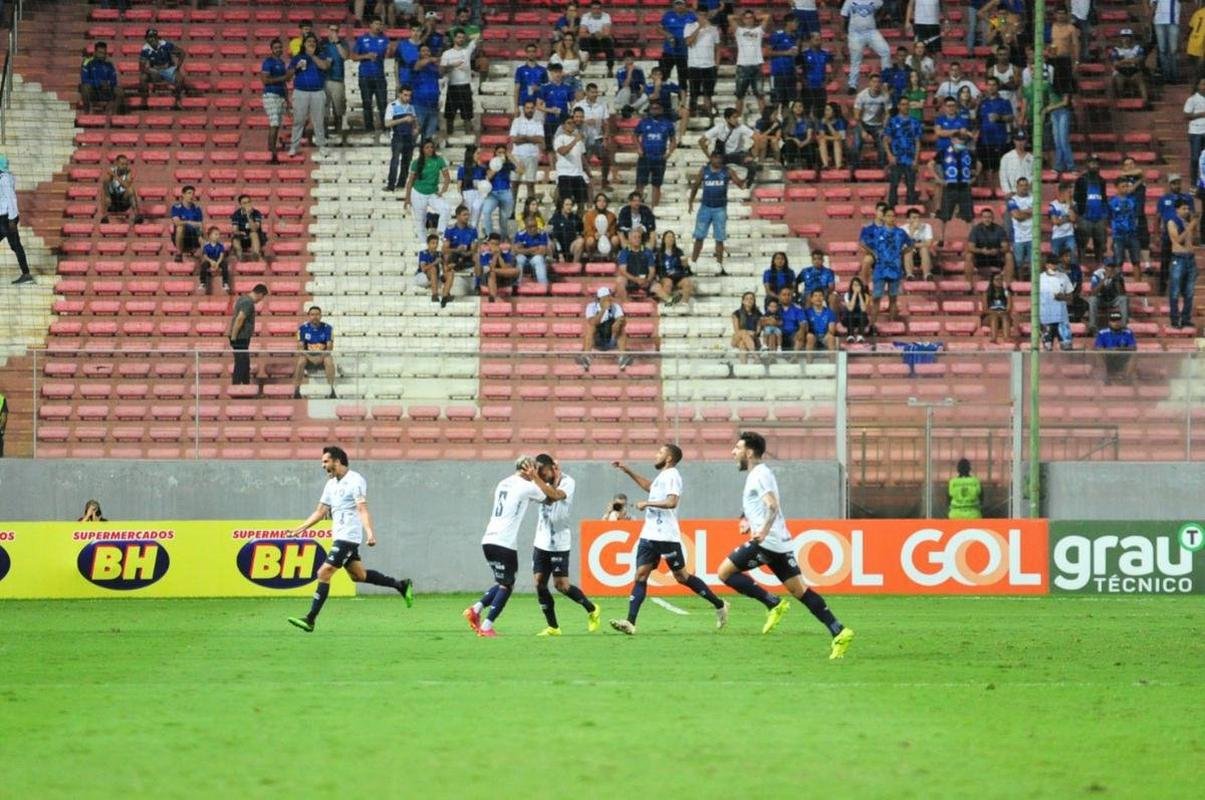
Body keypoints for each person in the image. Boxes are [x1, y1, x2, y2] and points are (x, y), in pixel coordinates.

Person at [718, 432, 855, 657]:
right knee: (800, 591)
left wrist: (761, 532)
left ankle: (772, 603)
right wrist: (745, 519)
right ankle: (839, 631)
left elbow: (772, 505)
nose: (733, 452)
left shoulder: (758, 475)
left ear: (749, 452)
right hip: (780, 543)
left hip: (767, 543)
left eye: (737, 448)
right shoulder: (761, 473)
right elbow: (759, 504)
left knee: (724, 573)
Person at [286, 446, 414, 633]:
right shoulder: (330, 484)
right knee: (358, 576)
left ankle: (310, 619)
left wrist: (369, 532)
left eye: (325, 462)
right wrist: (300, 529)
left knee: (324, 572)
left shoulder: (355, 480)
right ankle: (401, 585)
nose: (323, 466)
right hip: (339, 535)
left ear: (337, 461)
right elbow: (321, 511)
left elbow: (362, 509)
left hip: (349, 536)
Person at [608, 445, 728, 635]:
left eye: (660, 453)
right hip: (649, 535)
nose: (656, 455)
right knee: (640, 576)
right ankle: (630, 622)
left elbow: (672, 502)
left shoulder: (673, 475)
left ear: (670, 458)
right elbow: (650, 487)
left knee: (682, 577)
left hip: (666, 536)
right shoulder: (662, 476)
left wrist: (646, 503)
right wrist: (628, 470)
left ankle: (720, 604)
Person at [464, 456, 562, 637]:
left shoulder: (503, 482)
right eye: (534, 469)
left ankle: (475, 610)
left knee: (502, 581)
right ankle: (486, 627)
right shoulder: (527, 486)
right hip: (504, 542)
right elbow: (551, 498)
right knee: (507, 586)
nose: (537, 472)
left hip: (488, 540)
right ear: (527, 469)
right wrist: (553, 479)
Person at [530, 454, 602, 637]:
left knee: (561, 585)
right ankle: (553, 627)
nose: (539, 474)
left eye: (542, 470)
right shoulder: (538, 482)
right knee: (539, 583)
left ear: (552, 468)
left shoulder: (568, 482)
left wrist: (536, 479)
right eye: (537, 471)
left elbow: (555, 495)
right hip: (541, 540)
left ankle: (592, 609)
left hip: (559, 542)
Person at [689, 150, 744, 277]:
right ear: (712, 158)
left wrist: (747, 177)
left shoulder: (728, 171)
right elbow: (695, 185)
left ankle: (719, 265)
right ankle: (693, 263)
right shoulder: (704, 170)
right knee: (699, 236)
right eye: (716, 158)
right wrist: (691, 201)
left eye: (720, 158)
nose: (718, 160)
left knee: (719, 238)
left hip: (720, 209)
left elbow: (740, 184)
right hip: (705, 207)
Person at [931, 131, 978, 246]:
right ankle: (941, 239)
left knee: (969, 216)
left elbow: (979, 164)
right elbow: (930, 164)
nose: (961, 143)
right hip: (950, 187)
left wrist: (975, 177)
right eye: (958, 141)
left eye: (962, 141)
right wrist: (937, 178)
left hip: (964, 187)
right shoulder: (944, 152)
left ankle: (972, 240)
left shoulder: (969, 153)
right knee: (944, 215)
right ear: (952, 140)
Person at [289, 34, 330, 157]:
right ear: (304, 44)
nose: (311, 43)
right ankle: (294, 147)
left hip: (317, 92)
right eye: (309, 41)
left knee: (318, 121)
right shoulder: (297, 57)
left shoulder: (321, 56)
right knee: (298, 120)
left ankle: (321, 146)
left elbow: (325, 66)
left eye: (313, 41)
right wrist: (297, 67)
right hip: (301, 92)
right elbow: (289, 73)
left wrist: (312, 56)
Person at [402, 139, 451, 241]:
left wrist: (443, 191)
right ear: (422, 149)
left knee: (445, 208)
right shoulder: (416, 163)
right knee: (420, 220)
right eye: (427, 147)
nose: (430, 149)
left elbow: (447, 177)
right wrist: (407, 198)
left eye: (432, 147)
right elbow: (410, 181)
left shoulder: (439, 160)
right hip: (418, 193)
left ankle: (441, 232)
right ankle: (423, 243)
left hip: (433, 193)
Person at [353, 18, 392, 143]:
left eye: (380, 23)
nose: (378, 26)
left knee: (382, 103)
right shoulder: (362, 39)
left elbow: (388, 55)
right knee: (367, 103)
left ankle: (386, 129)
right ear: (370, 24)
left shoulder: (385, 39)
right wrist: (366, 56)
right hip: (365, 76)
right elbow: (353, 56)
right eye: (376, 23)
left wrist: (390, 51)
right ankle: (369, 129)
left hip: (379, 76)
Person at [841, 0, 891, 94]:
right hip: (855, 33)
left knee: (886, 51)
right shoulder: (849, 1)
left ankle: (886, 81)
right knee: (855, 60)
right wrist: (842, 32)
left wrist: (879, 18)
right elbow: (843, 16)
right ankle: (852, 85)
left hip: (871, 32)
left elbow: (883, 6)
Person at [635, 100, 677, 208]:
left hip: (659, 158)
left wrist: (669, 153)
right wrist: (638, 148)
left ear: (661, 110)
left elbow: (673, 140)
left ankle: (654, 209)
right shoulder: (644, 122)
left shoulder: (667, 124)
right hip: (645, 157)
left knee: (656, 185)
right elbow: (634, 136)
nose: (655, 110)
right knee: (640, 184)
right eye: (653, 108)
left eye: (657, 108)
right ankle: (637, 207)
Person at [1157, 174, 1194, 292]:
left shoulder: (1187, 198)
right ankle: (1162, 289)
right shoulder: (1163, 199)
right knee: (1165, 263)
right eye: (1174, 183)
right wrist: (1157, 235)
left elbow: (1192, 216)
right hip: (1167, 236)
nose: (1176, 185)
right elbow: (1158, 217)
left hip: (1182, 236)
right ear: (1169, 184)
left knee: (1183, 263)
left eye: (1178, 182)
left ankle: (1183, 289)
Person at [440, 28, 480, 137]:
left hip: (465, 86)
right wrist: (453, 65)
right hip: (452, 86)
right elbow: (442, 71)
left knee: (467, 116)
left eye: (462, 37)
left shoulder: (467, 51)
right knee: (449, 117)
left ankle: (468, 140)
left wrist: (468, 37)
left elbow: (478, 35)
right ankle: (449, 138)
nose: (460, 39)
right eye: (458, 37)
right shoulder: (446, 54)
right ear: (454, 38)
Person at [292, 306, 337, 400]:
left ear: (321, 316)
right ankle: (296, 390)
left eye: (317, 314)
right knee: (300, 361)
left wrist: (320, 357)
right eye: (312, 314)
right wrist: (310, 358)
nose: (315, 317)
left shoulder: (328, 328)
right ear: (308, 316)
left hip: (323, 356)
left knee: (329, 360)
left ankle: (331, 389)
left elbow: (329, 347)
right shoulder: (303, 328)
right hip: (308, 356)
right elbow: (300, 348)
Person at [885, 96, 923, 207]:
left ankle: (910, 209)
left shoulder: (915, 122)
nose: (905, 106)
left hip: (910, 159)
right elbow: (885, 140)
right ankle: (891, 208)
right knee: (894, 185)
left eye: (907, 104)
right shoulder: (892, 121)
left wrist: (916, 159)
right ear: (898, 106)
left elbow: (917, 141)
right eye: (902, 104)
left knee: (911, 186)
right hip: (896, 158)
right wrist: (890, 155)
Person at [579, 286, 630, 370]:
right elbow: (592, 322)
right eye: (606, 298)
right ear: (600, 300)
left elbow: (623, 320)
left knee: (620, 327)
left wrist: (618, 322)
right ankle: (586, 357)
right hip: (597, 340)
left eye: (610, 297)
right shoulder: (591, 307)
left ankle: (622, 357)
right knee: (591, 328)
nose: (609, 300)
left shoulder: (616, 306)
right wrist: (603, 310)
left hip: (611, 338)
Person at [228, 283, 268, 386]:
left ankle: (246, 384)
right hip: (240, 337)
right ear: (260, 294)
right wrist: (233, 337)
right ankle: (236, 386)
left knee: (245, 362)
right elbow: (240, 319)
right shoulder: (248, 302)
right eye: (262, 297)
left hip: (240, 336)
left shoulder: (243, 299)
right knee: (241, 363)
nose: (261, 300)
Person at [1167, 198, 1199, 328]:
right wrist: (1191, 226)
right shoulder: (1171, 222)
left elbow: (1194, 240)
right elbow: (1178, 240)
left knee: (1189, 292)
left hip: (1190, 258)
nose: (1186, 211)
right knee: (1175, 291)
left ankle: (1186, 319)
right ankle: (1175, 320)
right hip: (1178, 258)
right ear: (1177, 209)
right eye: (1183, 209)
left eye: (1188, 209)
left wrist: (1193, 227)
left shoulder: (1188, 222)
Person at [683, 11, 720, 119]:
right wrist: (699, 28)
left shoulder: (713, 29)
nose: (702, 17)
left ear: (707, 16)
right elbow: (688, 42)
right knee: (694, 94)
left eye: (704, 15)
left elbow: (718, 48)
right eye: (700, 15)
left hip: (709, 66)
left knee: (708, 94)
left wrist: (716, 64)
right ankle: (691, 116)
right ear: (696, 16)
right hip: (694, 65)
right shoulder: (689, 27)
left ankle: (709, 117)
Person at [614, 229, 669, 302]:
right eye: (635, 237)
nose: (637, 239)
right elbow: (623, 271)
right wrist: (635, 279)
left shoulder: (647, 252)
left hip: (645, 280)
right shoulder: (624, 252)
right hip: (630, 280)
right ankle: (626, 305)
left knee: (658, 287)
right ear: (629, 239)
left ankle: (672, 304)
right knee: (619, 281)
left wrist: (648, 280)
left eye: (639, 237)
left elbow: (652, 270)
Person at [1074, 156, 1110, 264]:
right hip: (1085, 216)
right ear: (1087, 165)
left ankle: (1099, 264)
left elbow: (1103, 197)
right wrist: (1080, 213)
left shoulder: (1102, 181)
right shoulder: (1081, 180)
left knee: (1100, 243)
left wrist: (1104, 215)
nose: (1094, 166)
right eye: (1092, 163)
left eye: (1096, 164)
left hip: (1099, 217)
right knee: (1082, 242)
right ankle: (1081, 264)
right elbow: (1076, 197)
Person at [733, 10, 770, 115]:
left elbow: (767, 16)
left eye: (751, 18)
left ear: (754, 19)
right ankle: (737, 121)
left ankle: (764, 120)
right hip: (742, 67)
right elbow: (730, 18)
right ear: (743, 19)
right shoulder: (739, 31)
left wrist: (756, 17)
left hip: (756, 67)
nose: (749, 20)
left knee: (760, 95)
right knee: (739, 95)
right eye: (747, 18)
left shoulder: (759, 31)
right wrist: (741, 16)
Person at [260, 39, 291, 164]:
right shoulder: (268, 62)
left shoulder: (282, 63)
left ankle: (272, 149)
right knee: (274, 124)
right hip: (271, 95)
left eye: (280, 47)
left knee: (277, 124)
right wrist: (284, 77)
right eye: (276, 47)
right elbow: (265, 80)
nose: (278, 49)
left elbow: (284, 83)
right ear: (272, 49)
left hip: (280, 95)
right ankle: (271, 153)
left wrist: (287, 99)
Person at [553, 107, 591, 210]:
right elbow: (563, 152)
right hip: (565, 174)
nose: (572, 125)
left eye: (573, 123)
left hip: (578, 174)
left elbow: (582, 157)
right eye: (569, 123)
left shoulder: (579, 140)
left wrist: (588, 172)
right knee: (565, 203)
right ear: (563, 125)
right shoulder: (559, 139)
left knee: (581, 203)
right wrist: (575, 140)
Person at [138, 28, 187, 108]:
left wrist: (177, 67)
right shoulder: (145, 49)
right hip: (154, 70)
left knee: (180, 78)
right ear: (146, 39)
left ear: (157, 38)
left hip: (168, 69)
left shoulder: (166, 45)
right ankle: (144, 102)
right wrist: (150, 71)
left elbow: (182, 53)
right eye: (149, 37)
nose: (152, 39)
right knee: (142, 77)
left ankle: (177, 102)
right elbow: (141, 68)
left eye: (153, 37)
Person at [509, 99, 545, 205]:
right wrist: (531, 139)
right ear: (524, 109)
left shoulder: (538, 123)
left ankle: (530, 210)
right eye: (527, 108)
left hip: (532, 156)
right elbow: (514, 140)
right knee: (514, 183)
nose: (529, 110)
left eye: (531, 108)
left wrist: (523, 137)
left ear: (534, 109)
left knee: (530, 184)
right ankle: (511, 210)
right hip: (517, 156)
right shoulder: (516, 121)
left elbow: (540, 140)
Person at [321, 24, 350, 147]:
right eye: (332, 30)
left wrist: (337, 42)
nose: (334, 32)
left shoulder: (343, 43)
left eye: (336, 30)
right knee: (324, 109)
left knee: (339, 110)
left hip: (338, 80)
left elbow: (345, 56)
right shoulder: (322, 44)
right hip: (324, 80)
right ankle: (325, 134)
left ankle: (338, 134)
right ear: (327, 31)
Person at [852, 74, 890, 167]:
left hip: (878, 125)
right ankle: (854, 166)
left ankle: (881, 167)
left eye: (878, 82)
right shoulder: (862, 95)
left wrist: (884, 128)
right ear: (869, 83)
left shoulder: (885, 96)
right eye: (874, 82)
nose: (876, 84)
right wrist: (863, 131)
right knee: (856, 144)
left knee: (883, 144)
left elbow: (888, 113)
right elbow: (856, 115)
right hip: (863, 123)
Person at [385, 86, 417, 193]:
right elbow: (387, 123)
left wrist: (415, 128)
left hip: (409, 137)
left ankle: (401, 183)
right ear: (399, 94)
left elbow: (414, 121)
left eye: (409, 95)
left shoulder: (411, 107)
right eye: (405, 95)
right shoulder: (392, 106)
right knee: (395, 160)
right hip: (397, 136)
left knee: (406, 161)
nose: (407, 98)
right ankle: (391, 185)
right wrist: (403, 119)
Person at [1038, 260, 1075, 351]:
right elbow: (1034, 299)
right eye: (1051, 263)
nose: (1054, 266)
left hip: (1062, 319)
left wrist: (1062, 297)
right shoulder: (1039, 278)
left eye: (1055, 263)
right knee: (1047, 348)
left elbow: (1070, 298)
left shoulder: (1063, 277)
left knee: (1067, 347)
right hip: (1045, 319)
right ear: (1046, 265)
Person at [80, 41, 125, 115]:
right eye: (100, 53)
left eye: (104, 53)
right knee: (84, 87)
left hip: (105, 90)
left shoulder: (109, 64)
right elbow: (84, 80)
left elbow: (114, 81)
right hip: (93, 91)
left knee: (119, 91)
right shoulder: (87, 62)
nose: (102, 55)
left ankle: (113, 115)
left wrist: (108, 83)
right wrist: (98, 83)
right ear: (95, 52)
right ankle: (87, 112)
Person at [1094, 311, 1138, 383]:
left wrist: (1120, 349)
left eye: (1118, 321)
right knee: (1098, 354)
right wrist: (1110, 350)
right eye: (1113, 321)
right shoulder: (1102, 333)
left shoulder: (1128, 332)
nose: (1116, 323)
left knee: (1134, 355)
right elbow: (1098, 348)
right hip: (1108, 357)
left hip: (1123, 357)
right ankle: (1105, 378)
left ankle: (1127, 379)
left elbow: (1133, 347)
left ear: (1121, 321)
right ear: (1109, 322)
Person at [964, 207, 1007, 281]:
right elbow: (970, 247)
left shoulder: (999, 229)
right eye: (985, 217)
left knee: (1009, 256)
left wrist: (997, 250)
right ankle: (968, 285)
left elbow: (1006, 247)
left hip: (996, 257)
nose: (987, 219)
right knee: (968, 256)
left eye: (989, 217)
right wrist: (981, 251)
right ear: (981, 218)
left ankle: (1008, 285)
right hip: (981, 257)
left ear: (993, 218)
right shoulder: (976, 229)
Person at [1005, 176, 1035, 281]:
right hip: (1018, 237)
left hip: (1032, 236)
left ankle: (1032, 284)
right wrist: (1030, 212)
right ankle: (1021, 283)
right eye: (1021, 185)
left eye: (1026, 185)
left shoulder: (1034, 198)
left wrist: (1022, 211)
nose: (1024, 187)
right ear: (1017, 187)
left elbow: (1035, 212)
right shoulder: (1012, 200)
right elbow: (1017, 216)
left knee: (1033, 263)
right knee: (1019, 263)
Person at [98, 154, 142, 224]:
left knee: (131, 190)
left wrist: (116, 176)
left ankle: (137, 215)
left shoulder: (128, 172)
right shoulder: (110, 171)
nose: (124, 166)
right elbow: (105, 183)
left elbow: (126, 185)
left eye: (126, 164)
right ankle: (104, 217)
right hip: (112, 202)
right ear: (116, 164)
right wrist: (107, 196)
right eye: (122, 164)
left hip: (123, 202)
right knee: (104, 191)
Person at [1108, 28, 1148, 106]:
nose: (1126, 39)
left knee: (1141, 80)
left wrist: (1123, 61)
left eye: (1128, 37)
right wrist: (1130, 60)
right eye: (1124, 37)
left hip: (1134, 71)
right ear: (1120, 38)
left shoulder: (1138, 48)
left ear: (1131, 38)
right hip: (1121, 71)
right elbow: (1116, 63)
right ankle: (1119, 102)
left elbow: (1140, 59)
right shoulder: (1116, 49)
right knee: (1118, 81)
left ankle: (1146, 101)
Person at [1086, 260, 1128, 332]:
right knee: (1092, 299)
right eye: (1109, 266)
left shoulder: (1118, 275)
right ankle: (1092, 326)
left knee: (1123, 299)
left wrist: (1116, 280)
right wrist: (1105, 278)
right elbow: (1093, 292)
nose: (1111, 268)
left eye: (1113, 266)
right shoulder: (1097, 274)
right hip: (1100, 299)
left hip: (1113, 299)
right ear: (1104, 267)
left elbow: (1122, 293)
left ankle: (1123, 326)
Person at [655, 230, 693, 305]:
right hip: (665, 276)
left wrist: (685, 265)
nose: (671, 239)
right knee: (668, 283)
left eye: (672, 237)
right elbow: (657, 268)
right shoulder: (659, 253)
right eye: (669, 237)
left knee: (687, 282)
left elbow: (686, 270)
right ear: (664, 239)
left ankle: (684, 305)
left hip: (678, 277)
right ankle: (665, 305)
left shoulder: (679, 251)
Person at [580, 1, 616, 77]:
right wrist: (593, 35)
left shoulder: (606, 16)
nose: (596, 11)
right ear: (591, 9)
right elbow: (582, 33)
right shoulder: (585, 16)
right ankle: (583, 62)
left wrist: (600, 35)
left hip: (601, 40)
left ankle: (610, 68)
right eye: (594, 8)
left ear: (601, 9)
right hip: (591, 39)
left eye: (598, 8)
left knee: (609, 42)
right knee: (582, 40)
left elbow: (606, 33)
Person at [480, 233, 519, 302]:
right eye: (492, 244)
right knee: (491, 273)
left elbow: (506, 269)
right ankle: (493, 297)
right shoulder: (485, 255)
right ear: (488, 244)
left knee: (517, 270)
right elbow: (486, 269)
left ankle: (493, 297)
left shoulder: (505, 254)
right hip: (489, 279)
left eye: (497, 244)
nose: (494, 246)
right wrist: (495, 256)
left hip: (504, 278)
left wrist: (499, 256)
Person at [169, 185, 204, 263]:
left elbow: (200, 225)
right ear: (183, 194)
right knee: (180, 227)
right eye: (189, 193)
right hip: (181, 237)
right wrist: (189, 222)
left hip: (193, 236)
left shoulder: (197, 209)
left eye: (193, 194)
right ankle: (179, 253)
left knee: (204, 237)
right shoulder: (176, 207)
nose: (192, 195)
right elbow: (177, 222)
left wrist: (200, 237)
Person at [513, 216, 550, 287]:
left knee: (538, 259)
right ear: (526, 227)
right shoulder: (520, 234)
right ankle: (517, 285)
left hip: (535, 258)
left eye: (535, 226)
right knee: (519, 259)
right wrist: (530, 250)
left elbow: (542, 251)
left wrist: (523, 250)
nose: (533, 229)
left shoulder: (542, 233)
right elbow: (516, 251)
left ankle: (543, 286)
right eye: (530, 227)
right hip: (524, 257)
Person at [231, 194, 268, 263]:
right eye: (244, 203)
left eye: (249, 202)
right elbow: (234, 230)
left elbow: (255, 228)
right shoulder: (236, 214)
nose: (247, 204)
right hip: (242, 236)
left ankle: (255, 255)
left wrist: (249, 216)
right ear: (240, 205)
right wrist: (239, 232)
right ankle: (240, 257)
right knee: (235, 240)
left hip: (257, 237)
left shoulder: (256, 213)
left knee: (253, 234)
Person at [548, 196, 586, 263]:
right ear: (562, 206)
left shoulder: (575, 217)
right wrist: (560, 254)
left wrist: (580, 235)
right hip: (558, 246)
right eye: (567, 205)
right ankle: (552, 267)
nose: (569, 207)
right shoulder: (555, 218)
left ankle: (574, 266)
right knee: (549, 243)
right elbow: (554, 238)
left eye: (571, 205)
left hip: (571, 245)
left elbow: (582, 231)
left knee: (581, 241)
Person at [901, 207, 935, 281]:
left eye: (918, 217)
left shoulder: (927, 226)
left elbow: (928, 243)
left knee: (924, 249)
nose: (917, 220)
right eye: (914, 218)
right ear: (908, 220)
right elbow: (904, 245)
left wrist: (913, 245)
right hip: (908, 253)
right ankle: (909, 275)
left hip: (923, 252)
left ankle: (927, 275)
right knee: (908, 250)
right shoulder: (903, 229)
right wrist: (912, 230)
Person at [197, 227, 230, 295]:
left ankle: (225, 283)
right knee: (204, 265)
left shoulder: (220, 246)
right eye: (215, 234)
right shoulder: (206, 246)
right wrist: (211, 261)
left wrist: (217, 263)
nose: (218, 236)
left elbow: (221, 255)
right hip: (210, 260)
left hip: (218, 260)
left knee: (225, 265)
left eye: (218, 234)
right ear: (210, 236)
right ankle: (202, 282)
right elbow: (205, 256)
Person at [816, 102, 849, 170]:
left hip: (841, 144)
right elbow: (821, 136)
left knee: (837, 141)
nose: (826, 112)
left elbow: (841, 137)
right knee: (822, 141)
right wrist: (833, 138)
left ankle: (838, 166)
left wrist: (828, 124)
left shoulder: (840, 121)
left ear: (834, 112)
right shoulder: (822, 121)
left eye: (828, 110)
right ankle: (825, 165)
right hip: (827, 144)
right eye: (825, 110)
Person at [731, 291, 763, 358]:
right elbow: (737, 331)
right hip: (737, 339)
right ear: (743, 301)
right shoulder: (736, 313)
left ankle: (744, 367)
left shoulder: (758, 314)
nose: (749, 300)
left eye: (751, 298)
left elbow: (758, 332)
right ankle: (756, 356)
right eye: (747, 298)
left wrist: (752, 334)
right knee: (743, 332)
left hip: (753, 339)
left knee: (743, 344)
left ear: (754, 301)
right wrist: (747, 332)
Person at [984, 271, 1013, 343]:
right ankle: (993, 339)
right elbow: (985, 309)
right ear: (992, 281)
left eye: (1001, 279)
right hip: (990, 316)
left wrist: (1001, 312)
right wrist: (995, 312)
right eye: (997, 279)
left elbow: (1009, 308)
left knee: (1005, 316)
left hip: (1003, 314)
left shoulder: (1006, 292)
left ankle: (1006, 338)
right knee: (994, 316)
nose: (999, 281)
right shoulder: (986, 293)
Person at [841, 276, 871, 342]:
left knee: (862, 313)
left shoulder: (866, 296)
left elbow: (863, 309)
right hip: (848, 319)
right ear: (851, 286)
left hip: (861, 319)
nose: (856, 287)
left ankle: (860, 336)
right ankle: (850, 335)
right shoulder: (847, 295)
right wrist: (854, 294)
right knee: (850, 312)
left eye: (858, 285)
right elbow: (850, 308)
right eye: (854, 285)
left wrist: (860, 294)